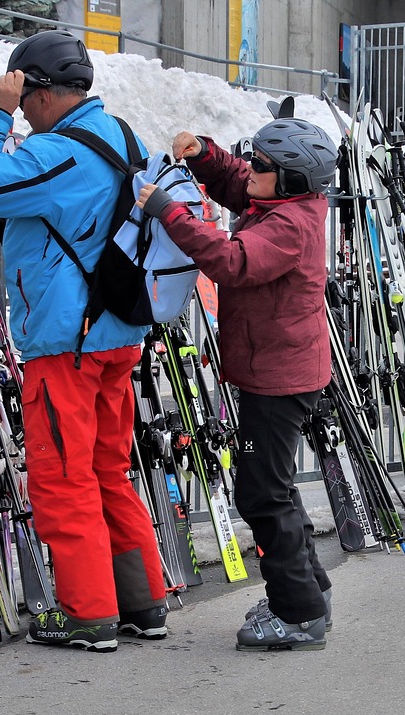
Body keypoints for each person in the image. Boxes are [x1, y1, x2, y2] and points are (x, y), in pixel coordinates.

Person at [0, 30, 169, 649]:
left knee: (62, 475)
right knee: (108, 470)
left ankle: (87, 614)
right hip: (118, 332)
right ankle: (142, 603)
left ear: (45, 95)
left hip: (66, 341)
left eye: (25, 103)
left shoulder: (58, 153)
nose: (23, 112)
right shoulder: (124, 137)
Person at [135, 113, 338, 651]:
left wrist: (170, 212)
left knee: (261, 495)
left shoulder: (290, 226)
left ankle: (298, 613)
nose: (251, 169)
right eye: (254, 158)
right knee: (273, 488)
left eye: (263, 166)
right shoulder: (278, 201)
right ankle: (308, 593)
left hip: (280, 378)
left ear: (291, 179)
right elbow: (236, 183)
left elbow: (230, 260)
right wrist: (203, 153)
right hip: (277, 369)